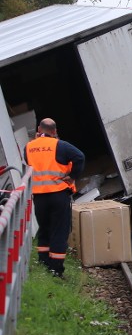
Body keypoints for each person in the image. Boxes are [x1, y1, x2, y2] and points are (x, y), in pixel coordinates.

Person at [24, 118, 85, 277]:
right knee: (59, 230)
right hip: (58, 194)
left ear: (39, 129)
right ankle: (56, 269)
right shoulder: (61, 145)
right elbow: (80, 157)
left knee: (44, 229)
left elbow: (29, 165)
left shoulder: (28, 147)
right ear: (55, 131)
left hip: (39, 196)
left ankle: (44, 263)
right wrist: (72, 177)